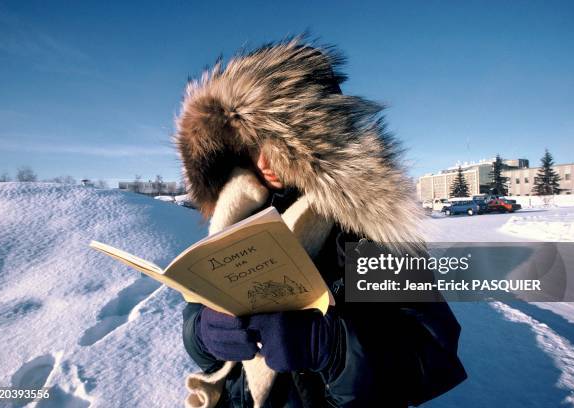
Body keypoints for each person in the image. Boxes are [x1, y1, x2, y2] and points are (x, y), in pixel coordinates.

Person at [175, 38, 467, 407]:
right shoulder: (234, 214)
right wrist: (201, 334)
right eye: (252, 142)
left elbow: (432, 354)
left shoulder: (368, 224)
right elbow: (198, 313)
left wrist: (333, 348)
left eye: (278, 141)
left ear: (316, 142)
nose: (264, 159)